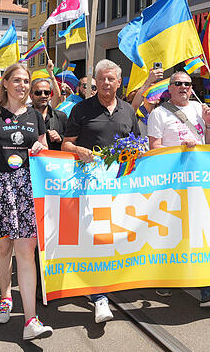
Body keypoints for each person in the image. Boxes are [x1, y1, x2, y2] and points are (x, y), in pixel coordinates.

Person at [0, 63, 53, 340]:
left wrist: (41, 148)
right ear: (4, 83)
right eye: (16, 80)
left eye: (26, 81)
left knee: (26, 252)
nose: (22, 85)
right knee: (3, 248)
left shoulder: (35, 115)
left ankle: (31, 319)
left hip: (27, 187)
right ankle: (6, 297)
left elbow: (44, 149)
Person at [147, 71, 210, 308]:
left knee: (197, 231)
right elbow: (154, 148)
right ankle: (166, 276)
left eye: (187, 84)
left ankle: (207, 289)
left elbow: (209, 142)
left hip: (198, 180)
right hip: (171, 181)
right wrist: (180, 150)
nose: (184, 87)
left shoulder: (199, 108)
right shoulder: (158, 113)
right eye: (178, 84)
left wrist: (208, 124)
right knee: (171, 230)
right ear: (170, 87)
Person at [62, 59, 140, 324]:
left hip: (120, 188)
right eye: (102, 79)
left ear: (119, 82)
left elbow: (138, 145)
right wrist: (77, 150)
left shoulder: (129, 111)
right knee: (95, 237)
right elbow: (65, 145)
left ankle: (106, 284)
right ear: (96, 81)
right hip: (89, 187)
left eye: (112, 79)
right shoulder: (81, 109)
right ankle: (99, 296)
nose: (107, 83)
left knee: (114, 237)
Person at [30, 77, 66, 151]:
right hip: (31, 160)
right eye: (38, 93)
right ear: (31, 96)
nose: (43, 95)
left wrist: (60, 138)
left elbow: (70, 141)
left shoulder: (61, 116)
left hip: (54, 160)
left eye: (47, 92)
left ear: (50, 95)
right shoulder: (24, 117)